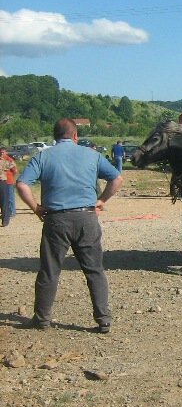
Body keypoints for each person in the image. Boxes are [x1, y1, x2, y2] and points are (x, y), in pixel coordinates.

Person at [16, 118, 123, 333]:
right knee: (94, 270)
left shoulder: (43, 156)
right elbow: (117, 179)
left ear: (54, 136)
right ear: (75, 135)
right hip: (86, 218)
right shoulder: (91, 155)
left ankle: (42, 319)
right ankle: (103, 320)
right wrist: (101, 200)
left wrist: (35, 207)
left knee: (50, 270)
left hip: (56, 220)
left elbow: (22, 184)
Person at [0, 146, 18, 227]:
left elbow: (15, 170)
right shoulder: (2, 160)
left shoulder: (8, 160)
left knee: (9, 198)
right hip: (3, 181)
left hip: (7, 181)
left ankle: (11, 213)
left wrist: (13, 177)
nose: (2, 154)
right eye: (1, 152)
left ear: (6, 152)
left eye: (3, 152)